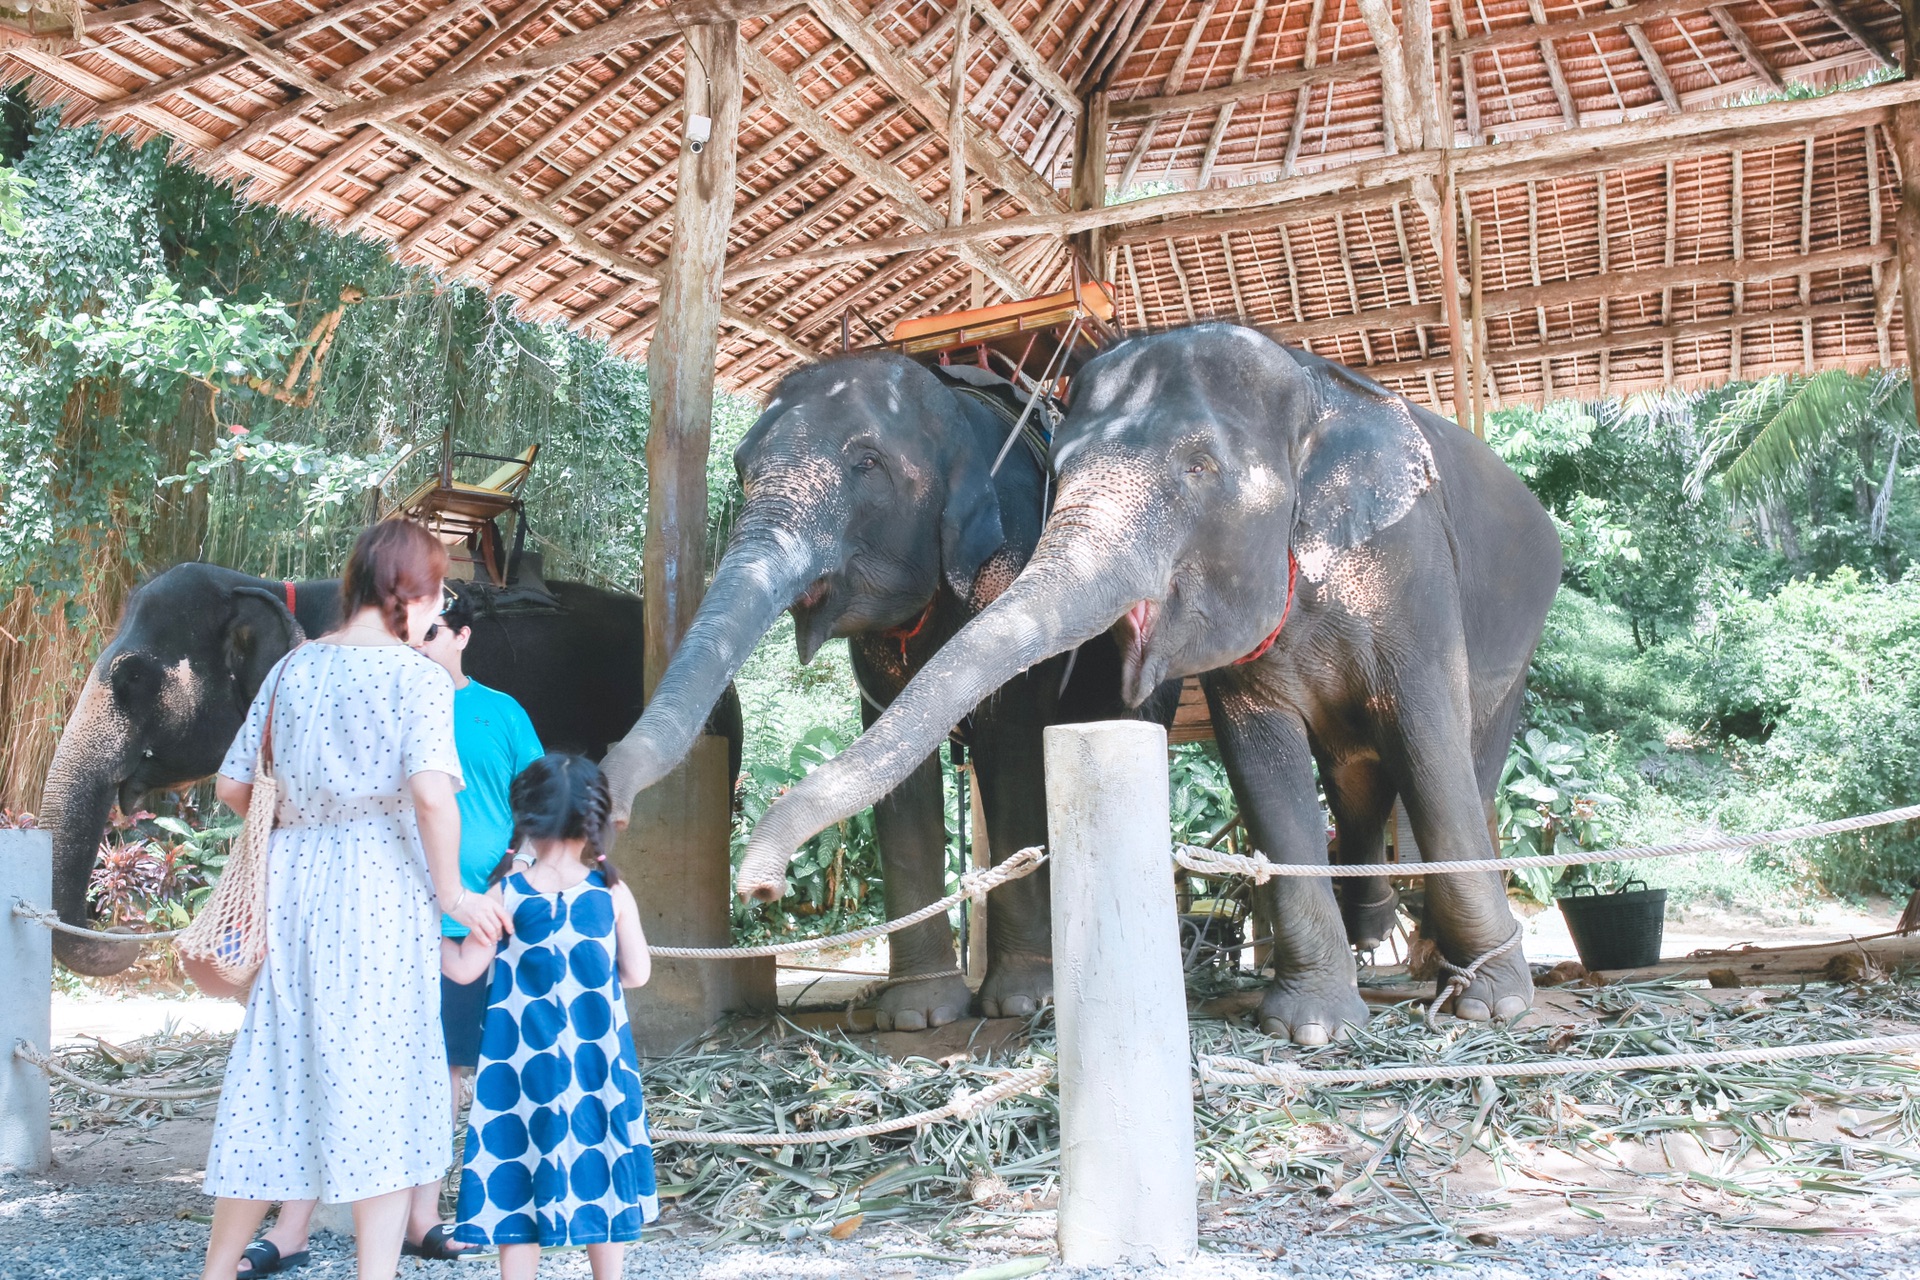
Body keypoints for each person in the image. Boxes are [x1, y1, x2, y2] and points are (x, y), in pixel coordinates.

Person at [200, 521, 513, 1280]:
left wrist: (311, 815)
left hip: (295, 885)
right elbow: (434, 800)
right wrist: (455, 894)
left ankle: (213, 1272)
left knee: (275, 1071)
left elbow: (233, 787)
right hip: (380, 886)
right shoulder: (416, 678)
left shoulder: (294, 670)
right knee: (384, 1080)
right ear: (407, 591)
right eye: (435, 591)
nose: (438, 607)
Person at [443, 753, 658, 1280]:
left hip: (518, 1071)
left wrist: (421, 933)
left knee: (516, 1179)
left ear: (526, 821)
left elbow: (466, 969)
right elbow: (637, 974)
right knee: (602, 1165)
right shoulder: (611, 893)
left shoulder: (507, 894)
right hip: (597, 1067)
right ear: (596, 820)